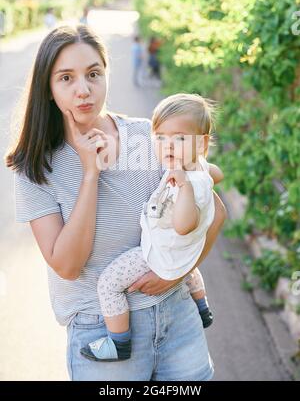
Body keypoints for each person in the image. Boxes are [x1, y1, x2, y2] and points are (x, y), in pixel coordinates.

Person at [5, 25, 226, 381]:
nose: (84, 89)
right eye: (66, 78)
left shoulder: (147, 138)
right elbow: (67, 265)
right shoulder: (35, 166)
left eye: (94, 74)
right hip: (103, 331)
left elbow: (214, 214)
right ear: (47, 87)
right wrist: (90, 175)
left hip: (177, 317)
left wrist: (177, 272)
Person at [80, 93, 223, 362]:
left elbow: (183, 226)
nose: (168, 146)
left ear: (202, 143)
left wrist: (184, 186)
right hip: (182, 251)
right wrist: (201, 172)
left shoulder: (187, 183)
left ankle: (118, 342)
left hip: (159, 251)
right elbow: (218, 173)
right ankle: (201, 305)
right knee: (188, 263)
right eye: (160, 137)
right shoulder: (195, 167)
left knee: (108, 284)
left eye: (179, 138)